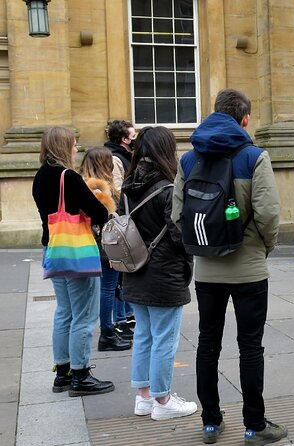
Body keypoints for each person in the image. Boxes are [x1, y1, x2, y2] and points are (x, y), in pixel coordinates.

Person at [172, 88, 286, 445]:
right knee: (250, 346)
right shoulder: (254, 157)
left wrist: (200, 248)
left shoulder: (189, 160)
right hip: (249, 268)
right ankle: (254, 425)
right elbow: (268, 214)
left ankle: (211, 422)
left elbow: (177, 216)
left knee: (208, 343)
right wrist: (263, 247)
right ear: (245, 119)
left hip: (207, 269)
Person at [120, 126, 197, 421]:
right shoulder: (168, 187)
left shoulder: (129, 185)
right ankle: (163, 400)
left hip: (134, 269)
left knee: (144, 335)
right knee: (164, 338)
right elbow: (179, 235)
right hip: (163, 273)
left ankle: (143, 397)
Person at [32, 126, 115, 396]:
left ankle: (62, 373)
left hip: (54, 249)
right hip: (76, 251)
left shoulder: (40, 176)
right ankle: (81, 375)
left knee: (64, 312)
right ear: (62, 147)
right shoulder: (68, 176)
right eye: (73, 144)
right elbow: (99, 212)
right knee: (84, 315)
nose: (76, 149)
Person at [79, 147, 132, 352]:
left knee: (108, 287)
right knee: (108, 288)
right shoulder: (98, 190)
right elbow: (106, 219)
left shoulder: (87, 186)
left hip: (97, 244)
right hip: (105, 245)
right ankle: (107, 332)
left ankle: (111, 328)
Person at [103, 119, 136, 334]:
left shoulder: (125, 156)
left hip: (125, 217)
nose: (136, 140)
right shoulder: (116, 158)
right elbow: (117, 189)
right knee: (117, 275)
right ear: (124, 139)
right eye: (133, 136)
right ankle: (120, 318)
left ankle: (125, 314)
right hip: (121, 220)